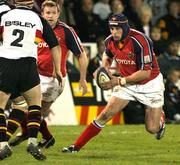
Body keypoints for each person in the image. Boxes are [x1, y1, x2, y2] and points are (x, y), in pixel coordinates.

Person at [62, 13, 166, 153]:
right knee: (104, 115)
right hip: (127, 84)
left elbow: (145, 73)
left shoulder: (141, 41)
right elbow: (108, 54)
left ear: (125, 27)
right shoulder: (109, 41)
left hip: (150, 84)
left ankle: (161, 118)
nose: (114, 32)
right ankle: (75, 147)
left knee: (152, 128)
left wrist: (117, 81)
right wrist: (103, 68)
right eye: (111, 29)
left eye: (117, 29)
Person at [7, 0, 88, 149]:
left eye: (53, 13)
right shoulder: (36, 25)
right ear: (42, 14)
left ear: (58, 14)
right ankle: (43, 136)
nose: (50, 16)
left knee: (31, 110)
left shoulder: (66, 31)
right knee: (27, 109)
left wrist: (83, 79)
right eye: (47, 13)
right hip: (34, 75)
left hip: (54, 80)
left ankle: (16, 137)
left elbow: (81, 55)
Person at [0, 0, 62, 160]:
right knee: (34, 105)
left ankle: (2, 146)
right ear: (31, 3)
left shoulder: (6, 16)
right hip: (28, 65)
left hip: (6, 64)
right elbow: (54, 45)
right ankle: (33, 142)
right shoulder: (37, 19)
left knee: (0, 107)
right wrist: (58, 69)